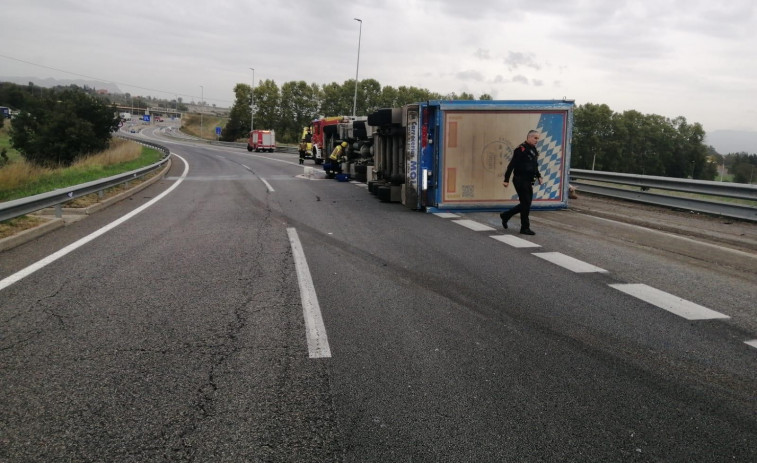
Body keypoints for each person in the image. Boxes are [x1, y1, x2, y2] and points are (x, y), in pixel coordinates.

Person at [500, 130, 543, 235]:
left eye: (538, 138)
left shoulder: (533, 149)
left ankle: (506, 215)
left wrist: (539, 176)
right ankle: (524, 227)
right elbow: (511, 165)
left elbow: (534, 165)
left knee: (526, 203)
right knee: (526, 203)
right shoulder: (520, 149)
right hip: (520, 179)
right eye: (535, 138)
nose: (537, 140)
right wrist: (506, 180)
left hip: (528, 180)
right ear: (529, 137)